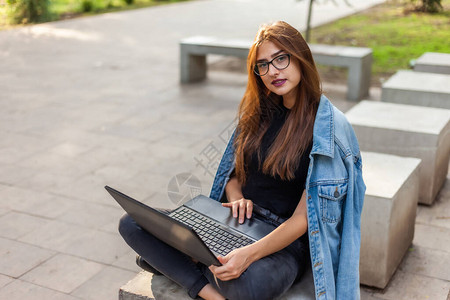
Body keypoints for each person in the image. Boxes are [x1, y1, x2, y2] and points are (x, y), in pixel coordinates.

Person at [119, 20, 366, 300]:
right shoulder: (260, 112)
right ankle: (208, 289)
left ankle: (179, 263)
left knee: (249, 285)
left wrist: (247, 256)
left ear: (301, 58)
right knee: (132, 223)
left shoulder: (328, 128)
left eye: (280, 59)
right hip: (235, 222)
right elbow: (236, 174)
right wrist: (236, 197)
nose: (272, 71)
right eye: (263, 65)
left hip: (282, 245)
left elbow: (303, 219)